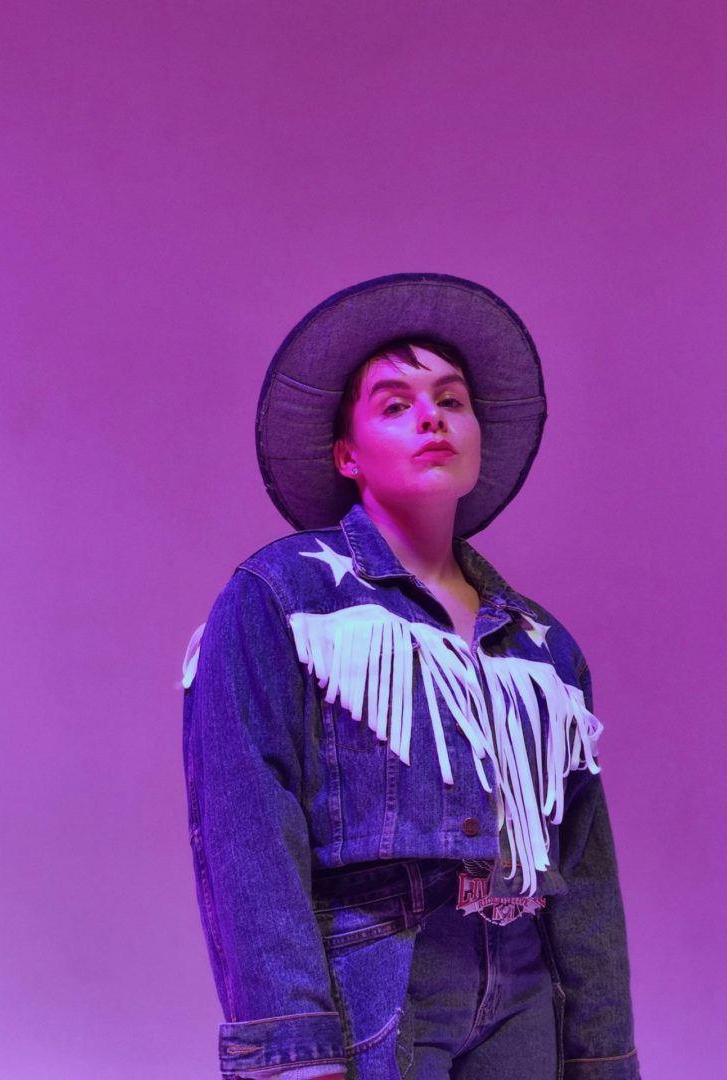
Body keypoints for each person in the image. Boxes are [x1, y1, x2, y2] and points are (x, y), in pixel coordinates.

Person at [182, 273, 639, 1079]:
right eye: (395, 404)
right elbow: (246, 824)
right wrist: (292, 1042)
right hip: (374, 979)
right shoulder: (284, 599)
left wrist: (602, 1055)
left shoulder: (543, 648)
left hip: (526, 991)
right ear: (346, 454)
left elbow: (585, 869)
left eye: (452, 401)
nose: (432, 416)